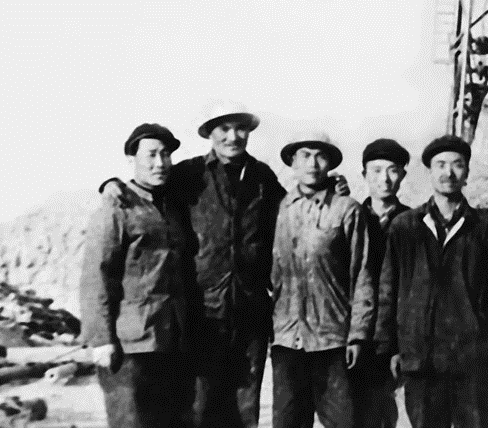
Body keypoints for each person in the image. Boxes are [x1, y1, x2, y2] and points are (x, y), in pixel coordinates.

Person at [99, 100, 350, 428]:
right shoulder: (188, 174)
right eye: (224, 129)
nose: (233, 136)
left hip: (251, 316)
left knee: (245, 412)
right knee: (202, 408)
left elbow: (294, 208)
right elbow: (148, 186)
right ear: (210, 134)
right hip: (201, 317)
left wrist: (331, 186)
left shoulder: (262, 178)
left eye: (240, 128)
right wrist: (111, 183)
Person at [374, 135, 488, 428]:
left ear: (467, 172)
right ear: (429, 172)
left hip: (474, 364)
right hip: (422, 362)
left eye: (457, 165)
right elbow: (388, 291)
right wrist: (388, 349)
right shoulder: (405, 228)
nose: (449, 172)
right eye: (441, 165)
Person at [80, 124, 196, 428]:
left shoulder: (173, 206)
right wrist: (101, 340)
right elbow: (97, 273)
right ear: (131, 159)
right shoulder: (117, 207)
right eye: (151, 155)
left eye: (166, 154)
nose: (160, 163)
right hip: (130, 344)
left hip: (173, 341)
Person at [271, 131, 374, 428]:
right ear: (293, 162)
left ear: (330, 163)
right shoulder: (280, 209)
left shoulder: (347, 209)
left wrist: (358, 336)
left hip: (333, 341)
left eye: (320, 156)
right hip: (287, 341)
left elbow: (362, 274)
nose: (313, 164)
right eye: (305, 155)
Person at [354, 138, 410, 428]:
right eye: (376, 171)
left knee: (384, 411)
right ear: (364, 175)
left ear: (402, 175)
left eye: (392, 170)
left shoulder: (413, 222)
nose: (384, 179)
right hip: (353, 333)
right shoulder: (351, 217)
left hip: (392, 334)